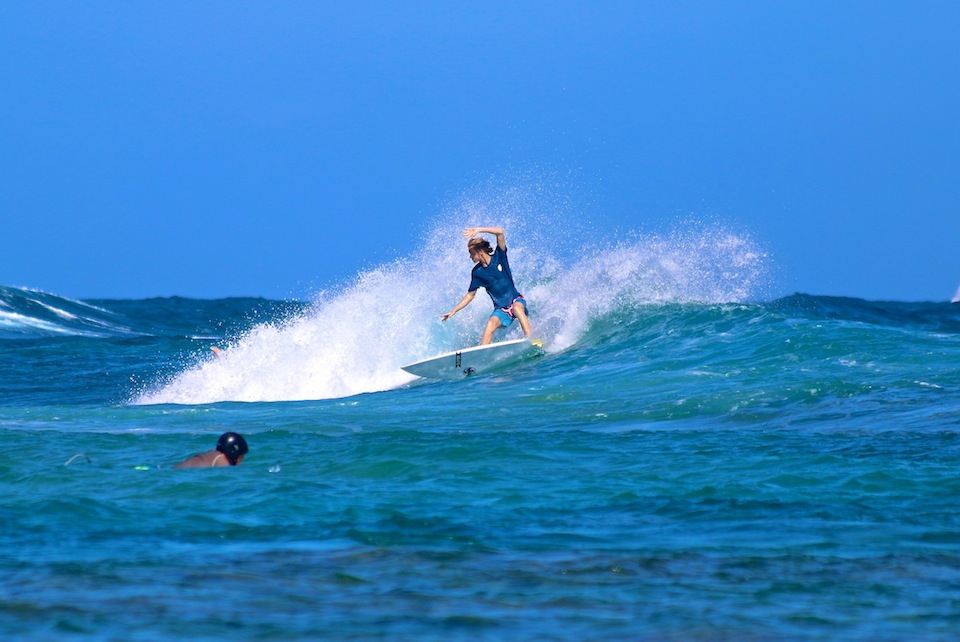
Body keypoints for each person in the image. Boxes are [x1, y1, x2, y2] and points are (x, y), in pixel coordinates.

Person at [441, 226, 532, 345]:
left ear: (480, 252)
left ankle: (532, 340)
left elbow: (500, 232)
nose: (470, 257)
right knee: (490, 324)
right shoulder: (477, 273)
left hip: (516, 300)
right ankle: (482, 356)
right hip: (501, 309)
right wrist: (454, 311)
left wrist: (478, 230)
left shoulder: (499, 256)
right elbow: (470, 295)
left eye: (471, 253)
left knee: (517, 309)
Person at [173, 432, 248, 468]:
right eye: (241, 458)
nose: (241, 462)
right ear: (233, 452)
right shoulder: (221, 460)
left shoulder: (214, 456)